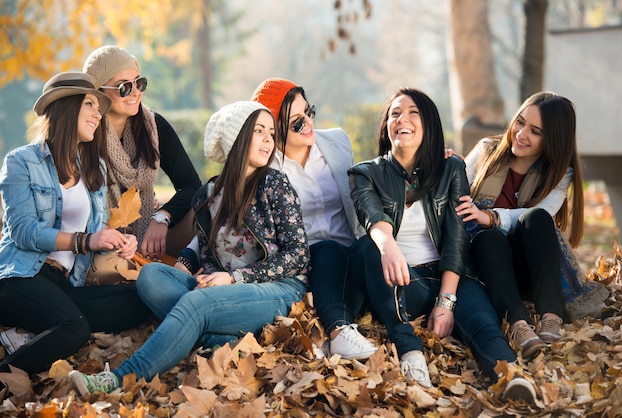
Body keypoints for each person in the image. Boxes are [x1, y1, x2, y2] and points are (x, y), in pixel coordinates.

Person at [69, 101, 310, 395]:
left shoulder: (274, 184)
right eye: (258, 131)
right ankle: (217, 341)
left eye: (270, 133)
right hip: (222, 291)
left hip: (278, 288)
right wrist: (206, 278)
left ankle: (117, 379)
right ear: (236, 138)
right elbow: (209, 255)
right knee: (151, 277)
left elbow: (298, 255)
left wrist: (235, 278)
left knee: (195, 304)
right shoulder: (209, 194)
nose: (268, 140)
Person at [347, 88, 535, 401]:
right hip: (401, 280)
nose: (402, 119)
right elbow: (371, 214)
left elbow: (456, 235)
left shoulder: (451, 169)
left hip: (451, 277)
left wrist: (446, 301)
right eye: (395, 113)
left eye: (413, 113)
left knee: (484, 326)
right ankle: (410, 352)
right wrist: (388, 245)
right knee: (370, 247)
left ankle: (512, 378)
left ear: (429, 124)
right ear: (386, 126)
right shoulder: (365, 173)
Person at [0, 72, 151, 375]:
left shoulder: (95, 169)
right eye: (91, 104)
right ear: (67, 108)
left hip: (65, 284)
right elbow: (24, 231)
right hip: (19, 278)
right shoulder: (22, 161)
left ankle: (33, 331)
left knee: (141, 299)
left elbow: (94, 236)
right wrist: (85, 241)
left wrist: (118, 241)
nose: (99, 114)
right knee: (75, 328)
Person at [250, 78, 376, 360]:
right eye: (296, 121)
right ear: (274, 129)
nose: (308, 123)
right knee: (327, 248)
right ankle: (338, 330)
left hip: (350, 252)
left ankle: (339, 331)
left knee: (369, 247)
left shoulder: (336, 141)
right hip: (306, 263)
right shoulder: (265, 167)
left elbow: (373, 178)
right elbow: (227, 212)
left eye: (308, 112)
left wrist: (426, 164)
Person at [455, 91, 584, 359]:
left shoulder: (559, 174)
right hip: (486, 267)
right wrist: (445, 168)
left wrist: (492, 217)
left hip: (528, 271)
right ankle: (519, 324)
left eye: (535, 131)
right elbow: (454, 195)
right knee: (489, 238)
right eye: (520, 122)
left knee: (536, 219)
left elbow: (537, 213)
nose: (521, 134)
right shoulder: (486, 152)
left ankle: (551, 316)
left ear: (553, 140)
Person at [83, 45, 201, 258]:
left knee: (206, 210)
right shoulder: (85, 132)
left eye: (139, 83)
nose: (136, 92)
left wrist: (162, 216)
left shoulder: (153, 126)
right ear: (98, 93)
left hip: (148, 233)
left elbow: (191, 185)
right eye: (124, 87)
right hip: (97, 240)